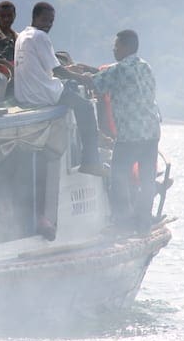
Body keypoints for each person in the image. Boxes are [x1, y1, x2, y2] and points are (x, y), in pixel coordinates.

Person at [60, 29, 162, 232]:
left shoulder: (119, 70)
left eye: (116, 46)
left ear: (125, 47)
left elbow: (94, 82)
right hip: (151, 131)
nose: (114, 50)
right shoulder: (145, 66)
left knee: (118, 176)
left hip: (131, 134)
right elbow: (110, 74)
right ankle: (143, 221)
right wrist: (89, 69)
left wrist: (66, 73)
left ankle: (122, 221)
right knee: (147, 178)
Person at [12, 2, 104, 176]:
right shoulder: (40, 36)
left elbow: (47, 67)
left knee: (69, 87)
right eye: (45, 19)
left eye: (51, 21)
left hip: (25, 93)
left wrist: (70, 72)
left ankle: (96, 139)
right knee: (85, 107)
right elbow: (57, 70)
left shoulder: (22, 36)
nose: (48, 24)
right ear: (35, 17)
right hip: (42, 93)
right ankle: (90, 160)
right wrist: (82, 78)